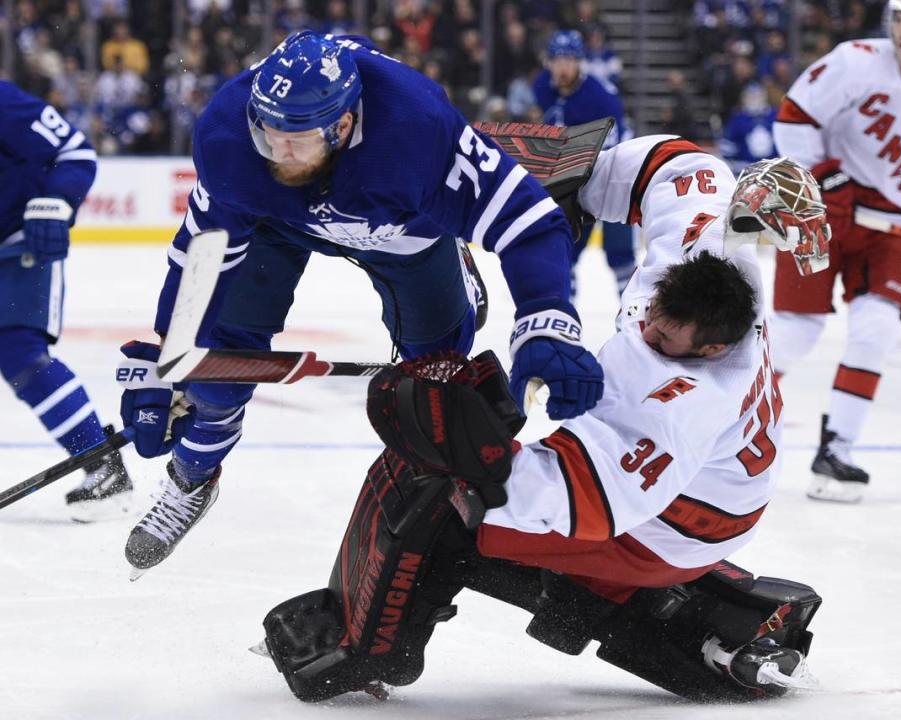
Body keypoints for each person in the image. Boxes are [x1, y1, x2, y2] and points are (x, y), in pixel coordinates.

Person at [252, 138, 828, 703]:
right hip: (698, 484)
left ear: (709, 351)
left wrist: (472, 448)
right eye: (651, 317)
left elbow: (580, 505)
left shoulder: (685, 401)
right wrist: (582, 177)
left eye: (665, 339)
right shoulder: (708, 254)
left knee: (444, 502)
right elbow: (682, 166)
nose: (648, 332)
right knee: (447, 483)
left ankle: (365, 652)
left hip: (675, 527)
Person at [116, 31, 604, 577]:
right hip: (275, 224)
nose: (278, 152)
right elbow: (201, 259)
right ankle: (191, 477)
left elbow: (531, 221)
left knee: (435, 378)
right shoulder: (230, 133)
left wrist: (546, 323)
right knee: (214, 372)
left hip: (401, 233)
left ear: (343, 125)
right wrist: (171, 357)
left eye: (296, 139)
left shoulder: (416, 131)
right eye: (267, 132)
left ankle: (456, 269)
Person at [771, 0, 901, 502]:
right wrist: (826, 177)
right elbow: (792, 118)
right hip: (819, 210)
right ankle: (717, 422)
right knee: (794, 334)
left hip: (889, 226)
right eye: (899, 17)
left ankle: (837, 450)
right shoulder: (854, 60)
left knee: (876, 330)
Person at [0, 81, 133, 521]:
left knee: (21, 354)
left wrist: (56, 202)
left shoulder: (5, 103)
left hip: (19, 242)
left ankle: (101, 464)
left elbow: (74, 153)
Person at [534, 29, 635, 296]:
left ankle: (634, 312)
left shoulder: (601, 97)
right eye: (557, 60)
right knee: (562, 248)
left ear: (580, 62)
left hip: (612, 175)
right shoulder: (543, 85)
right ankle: (562, 312)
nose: (562, 66)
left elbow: (612, 149)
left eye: (569, 59)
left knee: (620, 254)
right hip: (570, 178)